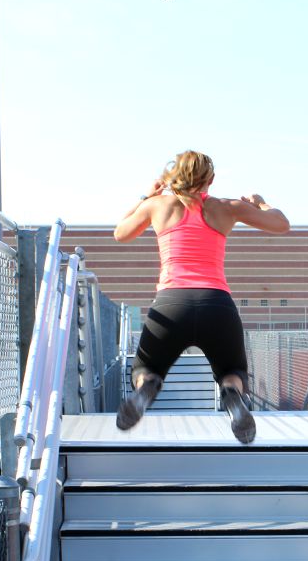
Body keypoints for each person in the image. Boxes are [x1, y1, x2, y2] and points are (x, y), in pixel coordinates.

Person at [113, 150, 290, 443]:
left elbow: (120, 233)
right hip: (217, 305)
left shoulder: (157, 206)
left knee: (148, 369)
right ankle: (233, 396)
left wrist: (146, 197)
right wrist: (259, 202)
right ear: (211, 179)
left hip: (170, 305)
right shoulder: (227, 208)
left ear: (174, 177)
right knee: (232, 372)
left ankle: (145, 391)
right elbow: (281, 224)